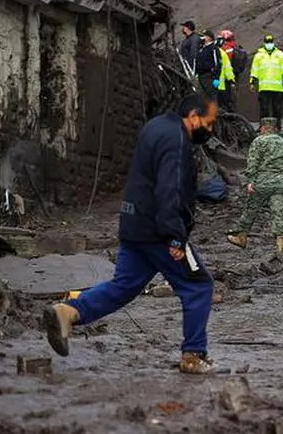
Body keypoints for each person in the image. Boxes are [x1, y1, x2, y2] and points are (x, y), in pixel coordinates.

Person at [42, 94, 219, 374]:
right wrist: (175, 235)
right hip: (159, 230)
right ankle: (193, 355)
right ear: (194, 116)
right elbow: (169, 189)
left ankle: (69, 311)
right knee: (198, 286)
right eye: (209, 124)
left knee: (123, 286)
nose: (210, 130)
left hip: (134, 225)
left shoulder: (155, 126)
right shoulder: (177, 140)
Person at [227, 118, 283, 256]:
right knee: (278, 213)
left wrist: (250, 181)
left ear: (263, 128)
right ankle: (280, 246)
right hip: (279, 183)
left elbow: (253, 163)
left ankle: (241, 237)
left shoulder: (258, 141)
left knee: (251, 209)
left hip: (262, 182)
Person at [250, 34, 283, 120]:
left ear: (273, 42)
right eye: (267, 42)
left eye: (270, 42)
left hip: (277, 87)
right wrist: (252, 82)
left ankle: (277, 128)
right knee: (264, 110)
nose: (269, 44)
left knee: (277, 110)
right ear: (264, 43)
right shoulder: (258, 55)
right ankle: (264, 128)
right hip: (264, 87)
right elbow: (254, 70)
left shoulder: (280, 54)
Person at [194, 30, 223, 99]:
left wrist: (216, 78)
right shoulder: (201, 49)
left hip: (209, 76)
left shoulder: (213, 48)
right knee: (204, 98)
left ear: (209, 38)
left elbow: (218, 63)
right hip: (201, 76)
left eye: (204, 36)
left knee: (212, 97)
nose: (202, 38)